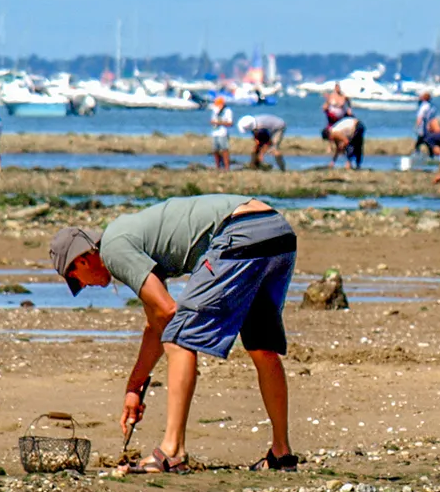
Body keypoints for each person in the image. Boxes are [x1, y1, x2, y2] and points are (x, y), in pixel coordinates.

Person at [48, 195, 299, 474]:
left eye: (75, 279)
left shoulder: (113, 251)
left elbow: (168, 314)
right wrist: (134, 388)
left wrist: (173, 338)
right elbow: (155, 324)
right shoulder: (130, 238)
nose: (83, 287)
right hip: (276, 230)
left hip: (238, 232)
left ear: (82, 260)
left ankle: (171, 451)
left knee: (179, 338)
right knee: (262, 347)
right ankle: (281, 454)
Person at [208, 97, 234, 171]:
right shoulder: (214, 110)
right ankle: (218, 166)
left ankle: (227, 167)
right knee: (215, 150)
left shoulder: (227, 111)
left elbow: (230, 123)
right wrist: (213, 122)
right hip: (214, 132)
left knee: (224, 149)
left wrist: (219, 123)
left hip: (223, 133)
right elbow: (212, 120)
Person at [413, 91, 437, 156]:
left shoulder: (424, 106)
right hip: (431, 125)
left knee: (422, 139)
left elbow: (420, 117)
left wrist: (416, 126)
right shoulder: (432, 106)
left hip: (424, 126)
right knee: (427, 139)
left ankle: (416, 152)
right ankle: (431, 154)